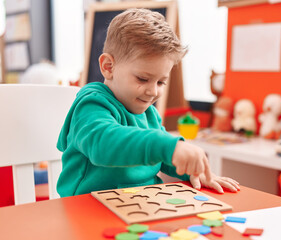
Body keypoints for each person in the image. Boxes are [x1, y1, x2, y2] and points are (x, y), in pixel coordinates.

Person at [56, 8, 239, 197]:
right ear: (108, 67)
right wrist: (168, 146)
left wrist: (194, 171)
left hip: (139, 202)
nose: (153, 91)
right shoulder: (91, 104)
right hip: (86, 208)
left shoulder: (148, 113)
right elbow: (104, 143)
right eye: (143, 79)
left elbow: (162, 159)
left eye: (161, 82)